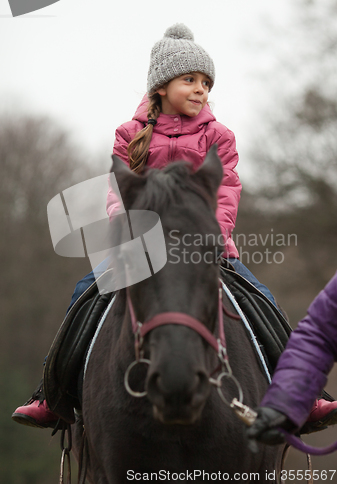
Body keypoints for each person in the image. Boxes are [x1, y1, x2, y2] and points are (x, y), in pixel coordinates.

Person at [11, 24, 337, 429]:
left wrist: (214, 238)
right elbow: (119, 190)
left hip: (204, 247)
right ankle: (52, 396)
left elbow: (226, 188)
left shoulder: (219, 136)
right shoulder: (129, 134)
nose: (201, 89)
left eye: (206, 83)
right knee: (83, 295)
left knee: (262, 299)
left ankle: (303, 396)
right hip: (140, 249)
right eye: (190, 80)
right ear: (162, 86)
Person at [247, 272, 337, 450]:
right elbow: (320, 334)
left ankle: (308, 402)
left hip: (219, 257)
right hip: (183, 261)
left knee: (263, 298)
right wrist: (285, 403)